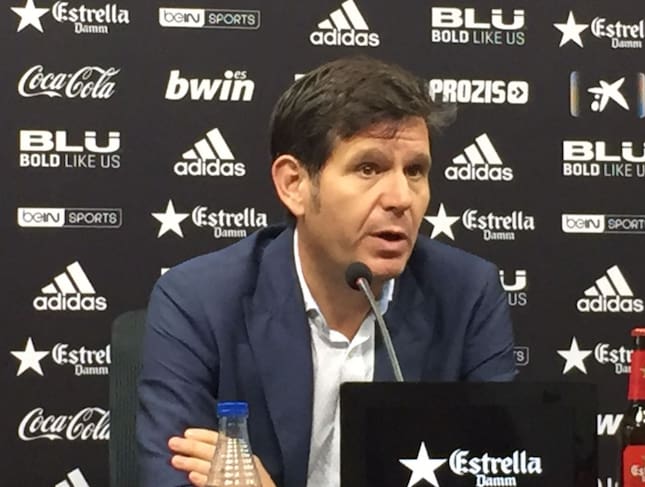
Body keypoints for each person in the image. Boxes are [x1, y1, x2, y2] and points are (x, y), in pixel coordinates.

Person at [137, 56, 516, 487]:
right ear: (294, 184)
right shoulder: (198, 300)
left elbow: (504, 474)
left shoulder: (467, 295)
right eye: (369, 168)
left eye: (415, 171)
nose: (401, 198)